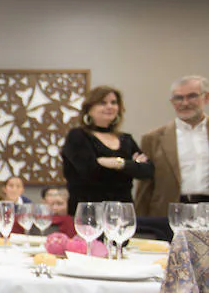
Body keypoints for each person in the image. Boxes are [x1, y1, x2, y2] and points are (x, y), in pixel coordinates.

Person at [61, 85, 153, 215]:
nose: (109, 106)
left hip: (122, 213)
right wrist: (131, 166)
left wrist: (119, 163)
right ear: (89, 109)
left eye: (113, 102)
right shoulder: (78, 136)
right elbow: (89, 172)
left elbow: (148, 171)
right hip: (89, 213)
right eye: (102, 103)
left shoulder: (126, 139)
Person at [135, 75, 209, 217]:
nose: (185, 103)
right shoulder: (153, 139)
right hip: (169, 214)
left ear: (206, 98)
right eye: (178, 98)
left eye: (192, 96)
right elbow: (145, 188)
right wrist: (140, 224)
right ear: (172, 102)